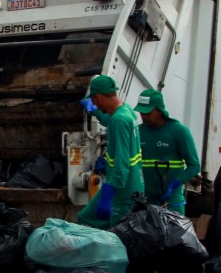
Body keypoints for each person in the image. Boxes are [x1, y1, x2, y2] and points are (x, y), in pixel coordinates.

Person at [75, 75, 144, 229]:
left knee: (118, 237)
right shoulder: (126, 111)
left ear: (98, 97)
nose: (94, 104)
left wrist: (108, 193)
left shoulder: (119, 120)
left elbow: (122, 161)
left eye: (94, 101)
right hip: (130, 184)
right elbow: (109, 120)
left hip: (123, 190)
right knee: (86, 219)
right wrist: (94, 111)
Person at [135, 88, 200, 216]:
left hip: (171, 203)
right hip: (146, 202)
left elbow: (194, 166)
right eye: (141, 113)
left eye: (147, 113)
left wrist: (174, 184)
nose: (143, 116)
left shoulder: (179, 131)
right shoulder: (138, 132)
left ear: (159, 110)